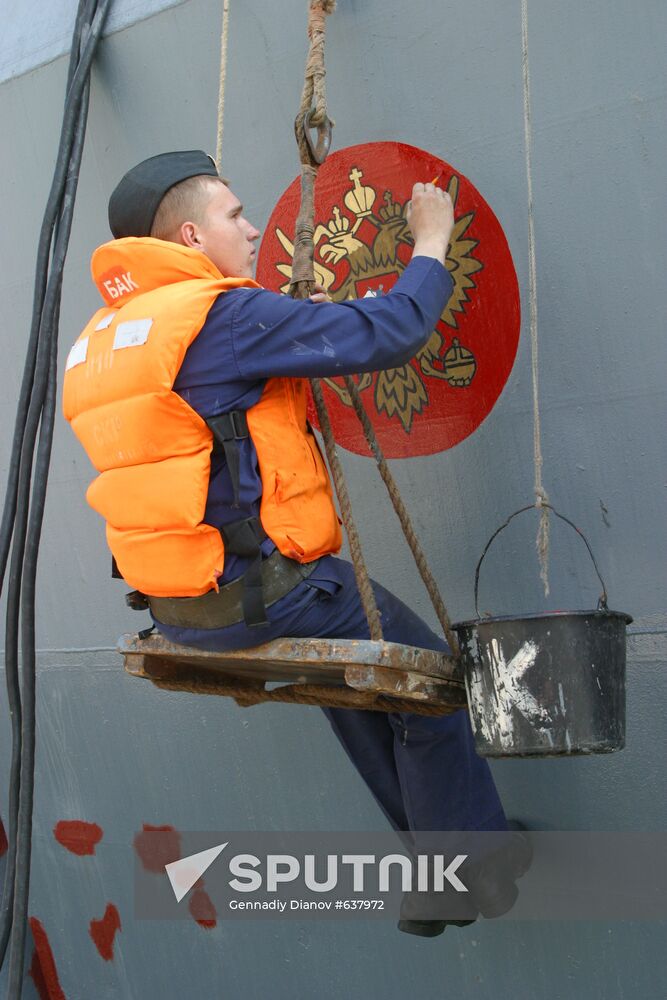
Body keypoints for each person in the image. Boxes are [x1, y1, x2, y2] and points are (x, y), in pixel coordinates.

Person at [63, 151, 516, 936]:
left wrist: (294, 318)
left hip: (179, 607)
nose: (251, 229)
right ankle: (464, 871)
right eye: (237, 216)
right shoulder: (222, 316)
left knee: (355, 687)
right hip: (269, 593)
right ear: (193, 234)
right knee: (435, 688)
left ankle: (433, 871)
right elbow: (394, 329)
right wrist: (431, 242)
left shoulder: (110, 339)